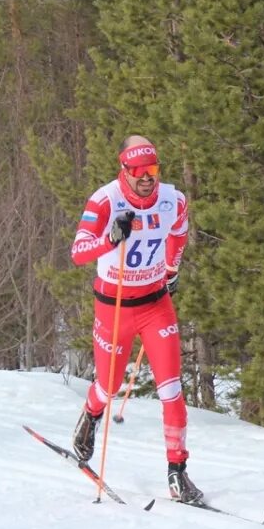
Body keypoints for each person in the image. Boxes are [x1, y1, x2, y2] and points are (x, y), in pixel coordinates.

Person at [68, 135, 203, 504]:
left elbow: (179, 233)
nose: (147, 178)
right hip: (113, 306)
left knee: (171, 389)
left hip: (155, 303)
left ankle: (178, 473)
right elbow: (78, 252)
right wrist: (111, 239)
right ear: (124, 170)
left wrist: (171, 269)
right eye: (139, 171)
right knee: (109, 385)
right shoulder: (105, 200)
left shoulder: (173, 199)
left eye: (153, 170)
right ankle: (91, 413)